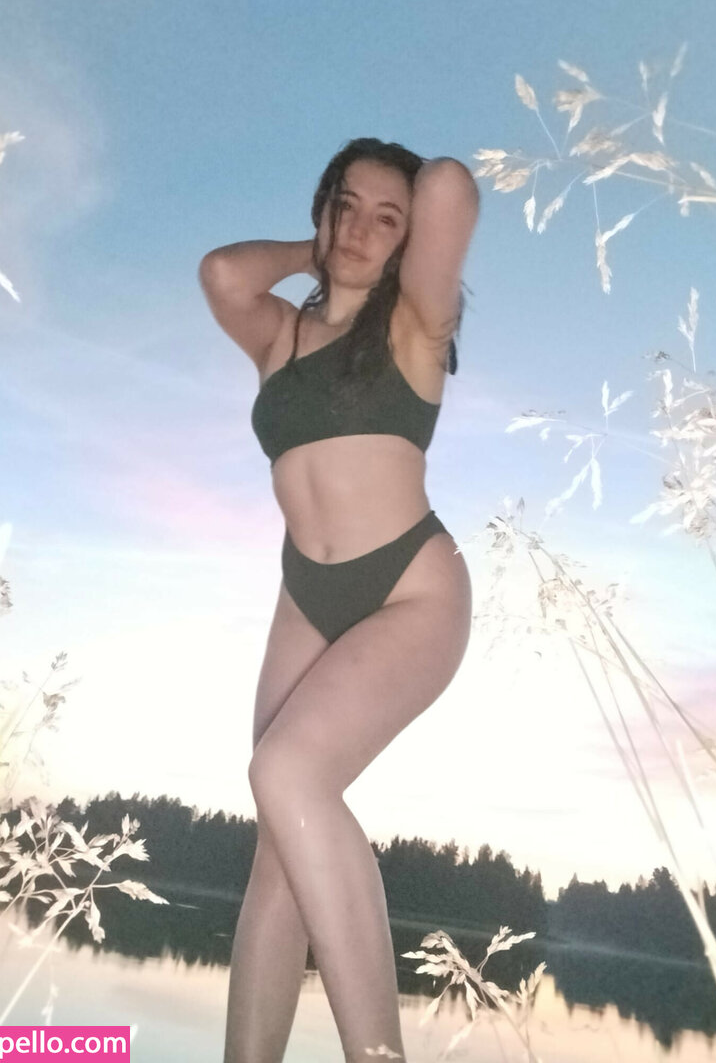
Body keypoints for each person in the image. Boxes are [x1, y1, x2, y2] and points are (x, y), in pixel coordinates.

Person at [199, 137, 479, 1063]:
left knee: (288, 776)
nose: (359, 229)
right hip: (306, 596)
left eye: (384, 220)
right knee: (277, 851)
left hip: (409, 591)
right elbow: (223, 273)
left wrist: (404, 219)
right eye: (345, 205)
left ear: (408, 243)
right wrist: (315, 252)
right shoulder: (279, 335)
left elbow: (450, 185)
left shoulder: (414, 329)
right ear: (322, 208)